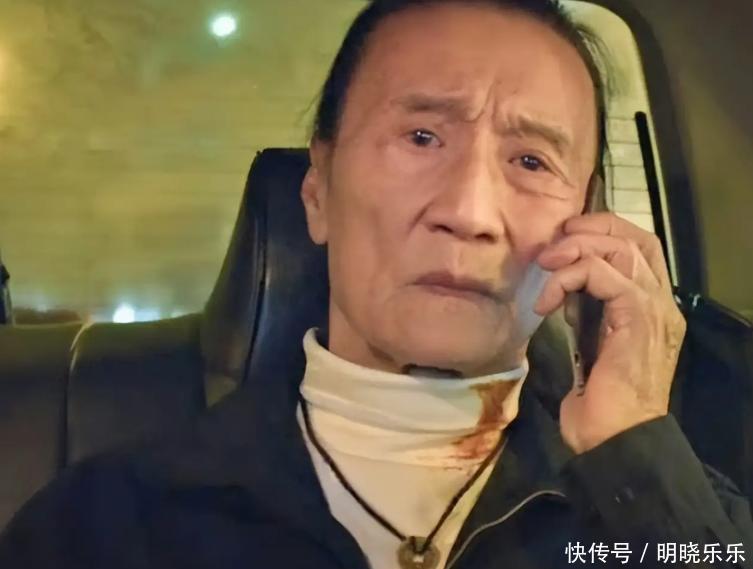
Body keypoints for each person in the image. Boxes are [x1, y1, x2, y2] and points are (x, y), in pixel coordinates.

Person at [1, 0, 751, 568]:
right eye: (421, 137)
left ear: (584, 223)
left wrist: (635, 451)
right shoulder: (108, 523)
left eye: (531, 162)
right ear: (317, 191)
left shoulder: (679, 513)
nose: (468, 213)